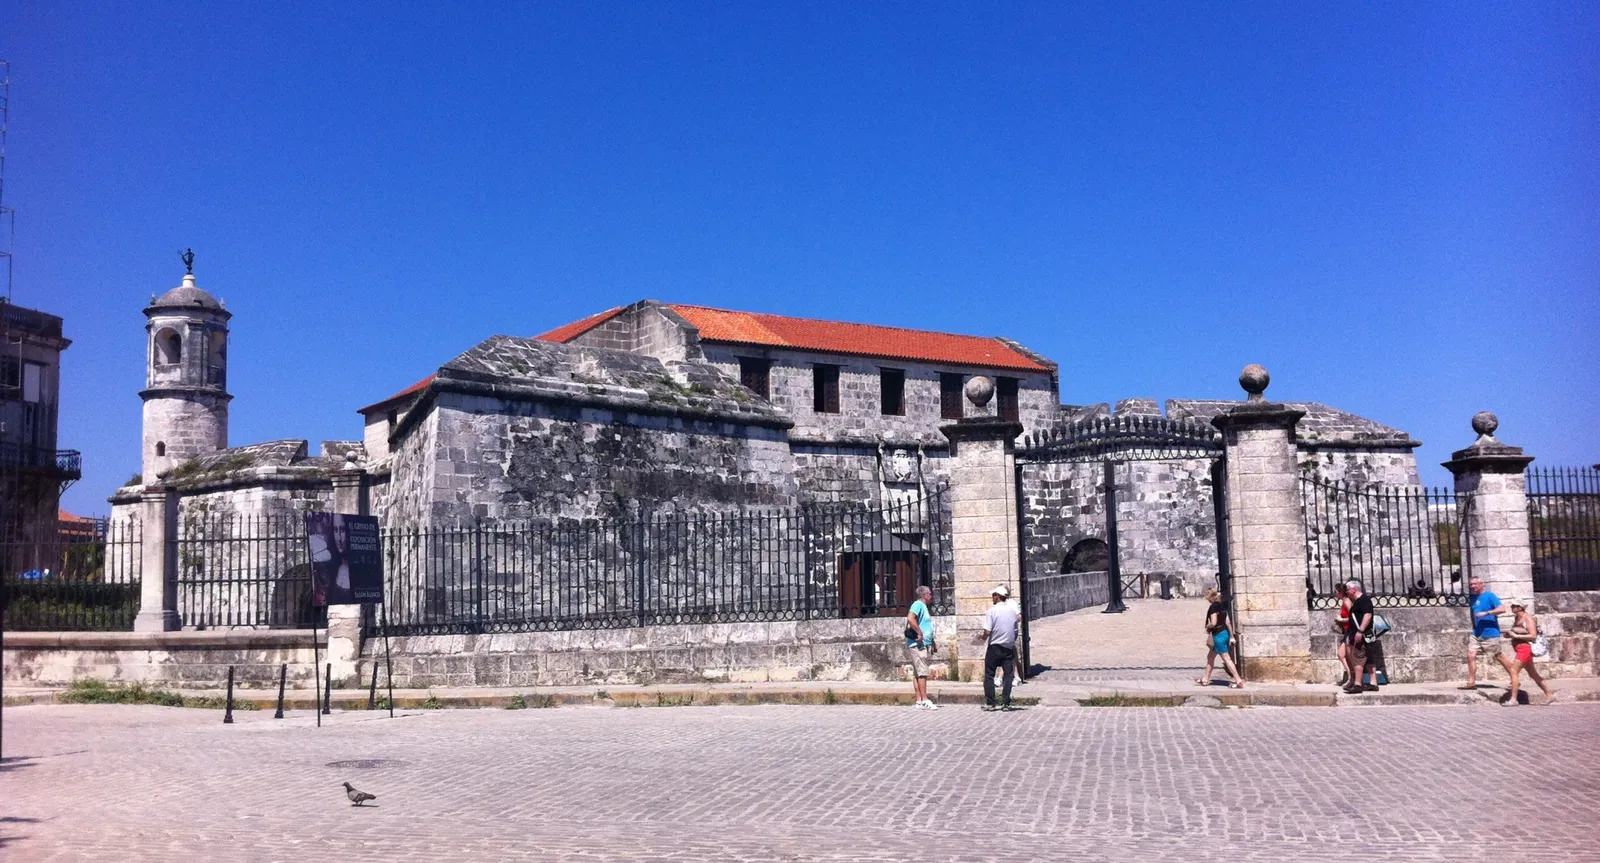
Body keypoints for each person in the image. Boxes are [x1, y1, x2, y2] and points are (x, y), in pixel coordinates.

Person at [1460, 577, 1514, 691]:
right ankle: (1471, 682)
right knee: (1471, 655)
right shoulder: (1473, 598)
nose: (1472, 587)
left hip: (1490, 633)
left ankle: (1514, 679)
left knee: (1498, 656)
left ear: (1481, 584)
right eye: (1471, 585)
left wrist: (1487, 612)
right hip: (1477, 633)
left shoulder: (1490, 596)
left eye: (1475, 584)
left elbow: (1502, 609)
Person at [980, 585, 1022, 711]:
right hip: (1008, 647)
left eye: (993, 595)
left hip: (994, 646)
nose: (992, 598)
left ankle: (991, 702)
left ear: (997, 597)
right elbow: (1015, 631)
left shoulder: (991, 611)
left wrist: (981, 638)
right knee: (1008, 676)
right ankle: (1006, 702)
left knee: (989, 675)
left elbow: (987, 631)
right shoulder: (1012, 612)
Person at [1504, 601, 1554, 706]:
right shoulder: (1517, 618)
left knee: (1513, 671)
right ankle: (1549, 695)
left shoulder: (1528, 618)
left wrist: (1516, 636)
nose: (1512, 607)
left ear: (1520, 608)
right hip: (1519, 648)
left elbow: (1533, 636)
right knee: (1533, 674)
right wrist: (1510, 635)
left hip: (1525, 649)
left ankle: (1513, 699)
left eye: (1514, 606)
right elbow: (1518, 632)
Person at [1195, 588, 1243, 688]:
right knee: (1211, 657)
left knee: (1226, 658)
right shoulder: (1223, 606)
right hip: (1225, 633)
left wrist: (1207, 626)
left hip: (1218, 635)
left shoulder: (1213, 607)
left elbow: (1213, 623)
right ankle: (1205, 679)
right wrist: (1231, 636)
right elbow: (1228, 623)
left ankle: (1238, 680)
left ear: (1210, 598)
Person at [904, 585, 939, 710]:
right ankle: (924, 699)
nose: (931, 596)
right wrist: (919, 632)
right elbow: (910, 618)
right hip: (918, 644)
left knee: (918, 672)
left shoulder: (923, 607)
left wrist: (933, 642)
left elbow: (926, 625)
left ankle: (919, 699)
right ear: (924, 595)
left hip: (923, 643)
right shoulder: (918, 605)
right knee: (923, 672)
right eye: (930, 593)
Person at [1343, 580, 1377, 694]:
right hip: (1360, 634)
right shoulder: (1358, 601)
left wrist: (1360, 631)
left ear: (1353, 589)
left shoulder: (1364, 601)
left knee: (1358, 659)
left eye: (1347, 589)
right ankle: (1373, 683)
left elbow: (1367, 616)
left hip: (1361, 634)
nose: (1347, 592)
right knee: (1368, 659)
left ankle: (1358, 684)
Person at [1332, 582, 1352, 686]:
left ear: (1341, 592)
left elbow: (1354, 618)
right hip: (1347, 631)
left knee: (1341, 654)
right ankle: (1349, 678)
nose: (1335, 594)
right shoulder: (1344, 601)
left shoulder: (1347, 601)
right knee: (1345, 656)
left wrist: (1341, 619)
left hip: (1350, 631)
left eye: (1336, 592)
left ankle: (1350, 679)